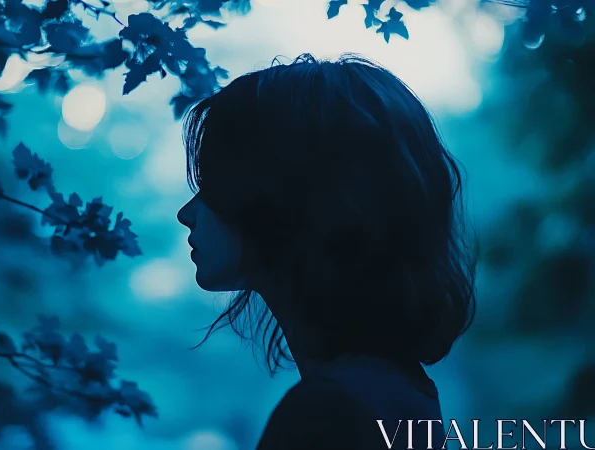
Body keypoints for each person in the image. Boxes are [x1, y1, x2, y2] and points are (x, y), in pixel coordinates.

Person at [176, 53, 477, 450]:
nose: (187, 214)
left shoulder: (328, 415)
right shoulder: (398, 392)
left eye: (215, 182)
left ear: (287, 194)